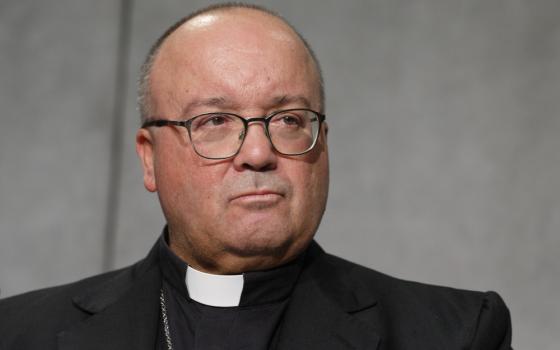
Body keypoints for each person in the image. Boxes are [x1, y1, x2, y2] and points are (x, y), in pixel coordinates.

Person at [0, 3, 512, 349]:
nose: (259, 153)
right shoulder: (21, 333)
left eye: (289, 119)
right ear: (149, 158)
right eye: (215, 121)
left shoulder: (454, 334)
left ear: (323, 144)